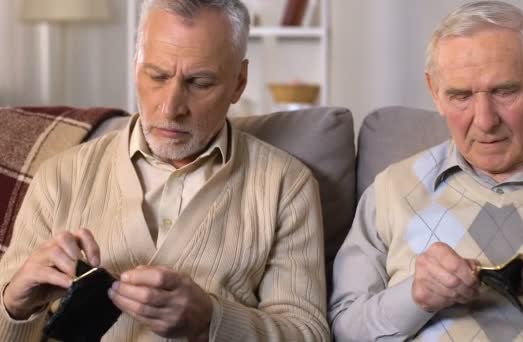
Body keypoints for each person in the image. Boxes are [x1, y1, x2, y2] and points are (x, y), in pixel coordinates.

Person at [0, 0, 329, 341]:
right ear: (135, 66)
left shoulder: (286, 186)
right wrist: (15, 305)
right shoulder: (60, 177)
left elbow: (308, 334)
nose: (171, 108)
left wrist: (210, 320)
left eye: (200, 83)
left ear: (239, 82)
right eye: (157, 75)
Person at [330, 1, 523, 341]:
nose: (485, 121)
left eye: (505, 91)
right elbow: (345, 331)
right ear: (435, 92)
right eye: (460, 96)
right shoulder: (390, 191)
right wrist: (415, 297)